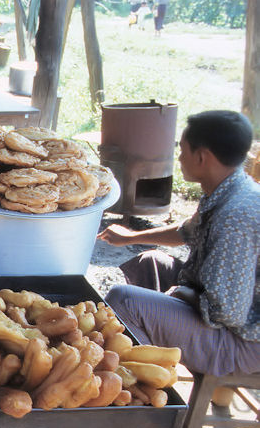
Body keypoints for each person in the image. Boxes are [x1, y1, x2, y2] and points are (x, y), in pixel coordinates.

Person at [98, 110, 260, 377]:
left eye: (182, 150)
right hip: (228, 318)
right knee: (150, 262)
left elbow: (225, 313)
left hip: (242, 341)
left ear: (202, 156)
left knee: (123, 299)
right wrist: (130, 237)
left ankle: (142, 385)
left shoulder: (235, 218)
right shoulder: (233, 188)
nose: (179, 158)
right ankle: (150, 357)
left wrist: (180, 294)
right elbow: (187, 232)